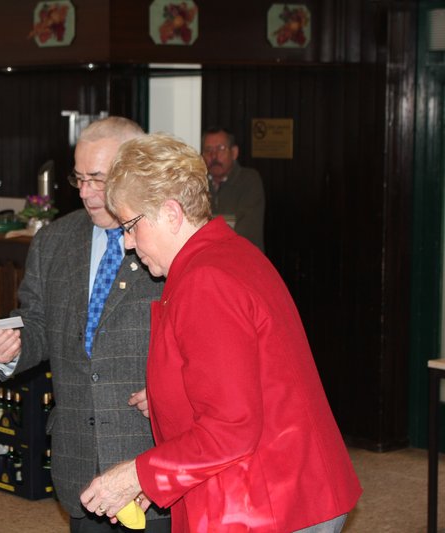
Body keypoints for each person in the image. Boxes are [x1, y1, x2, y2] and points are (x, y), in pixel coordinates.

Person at [79, 133, 362, 532]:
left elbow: (230, 427)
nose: (127, 243)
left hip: (272, 498)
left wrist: (137, 475)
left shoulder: (206, 280)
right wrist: (159, 474)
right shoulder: (225, 253)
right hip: (283, 484)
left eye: (130, 225)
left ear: (171, 213)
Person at [0, 117, 170, 533]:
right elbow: (37, 322)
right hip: (79, 460)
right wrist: (11, 347)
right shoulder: (54, 241)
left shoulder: (167, 241)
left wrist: (174, 389)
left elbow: (201, 343)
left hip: (151, 459)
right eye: (79, 178)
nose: (84, 192)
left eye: (97, 179)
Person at [201, 126, 265, 251]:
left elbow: (246, 233)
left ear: (234, 153)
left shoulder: (249, 180)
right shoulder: (197, 184)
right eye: (208, 150)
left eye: (220, 148)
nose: (214, 155)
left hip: (243, 258)